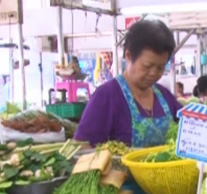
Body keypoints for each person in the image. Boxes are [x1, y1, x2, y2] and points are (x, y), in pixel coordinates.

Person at [74, 20, 183, 148]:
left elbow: (191, 129)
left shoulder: (164, 96)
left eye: (160, 67)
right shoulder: (107, 96)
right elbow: (82, 147)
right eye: (147, 66)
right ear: (128, 56)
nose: (154, 73)